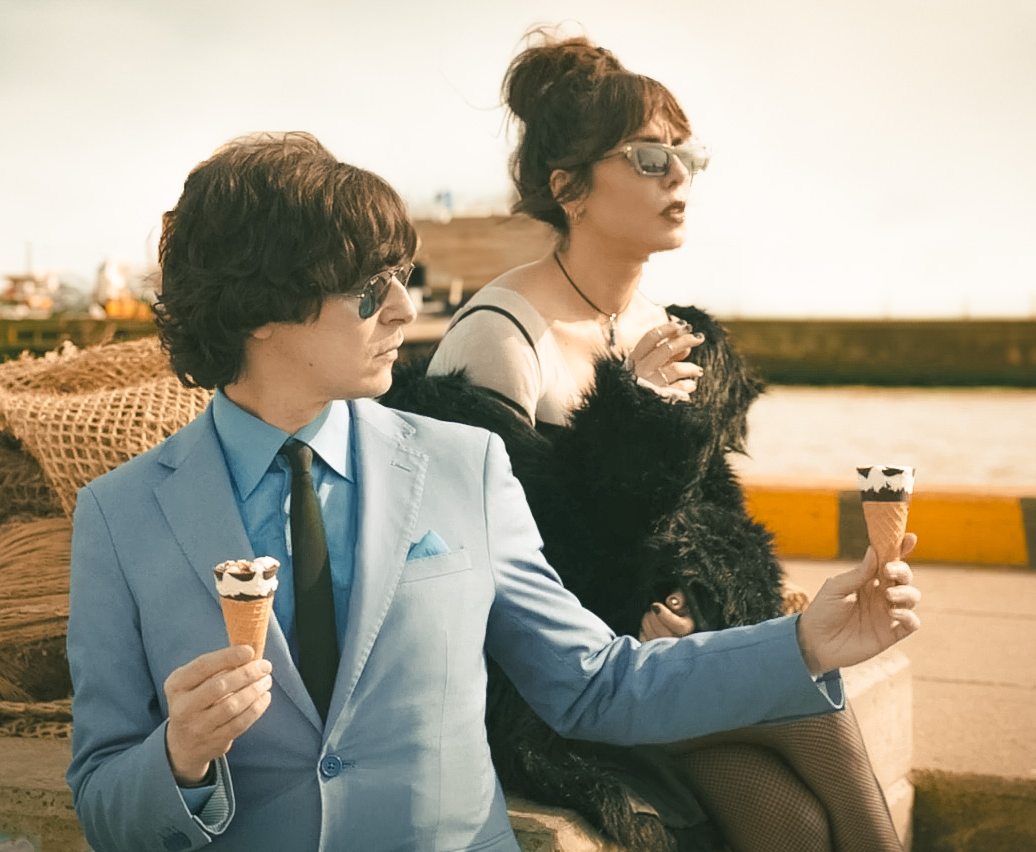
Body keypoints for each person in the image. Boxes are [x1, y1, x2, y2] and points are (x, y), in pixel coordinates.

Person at [64, 131, 922, 852]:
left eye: (401, 276)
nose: (404, 309)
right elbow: (103, 795)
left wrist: (804, 641)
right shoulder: (119, 514)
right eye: (367, 290)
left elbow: (592, 683)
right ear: (259, 309)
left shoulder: (463, 465)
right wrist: (178, 757)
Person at [407, 33, 913, 852]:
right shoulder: (500, 333)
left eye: (687, 154)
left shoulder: (670, 332)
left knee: (792, 820)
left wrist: (693, 603)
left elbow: (712, 527)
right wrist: (631, 422)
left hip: (666, 654)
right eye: (649, 157)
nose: (679, 176)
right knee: (812, 717)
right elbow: (491, 558)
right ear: (568, 187)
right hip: (546, 681)